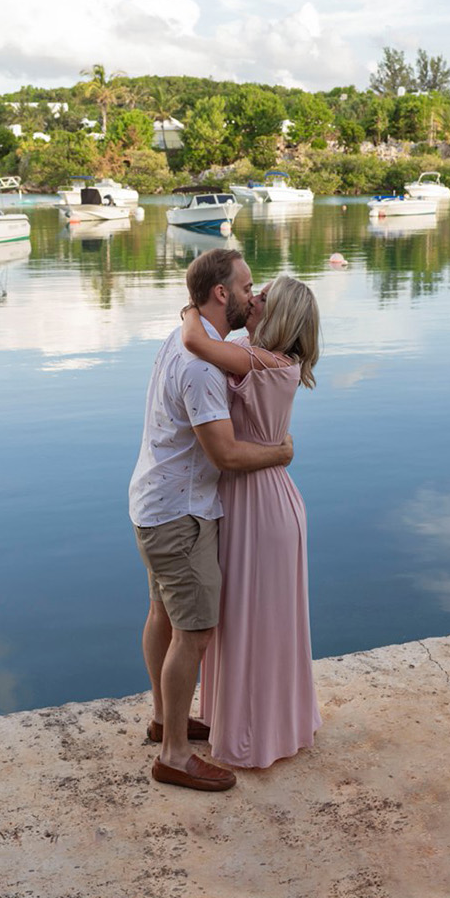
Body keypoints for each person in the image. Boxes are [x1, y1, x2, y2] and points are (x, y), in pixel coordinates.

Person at [129, 248, 292, 792]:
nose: (253, 294)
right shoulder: (202, 367)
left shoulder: (189, 336)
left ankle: (162, 720)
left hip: (152, 504)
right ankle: (174, 755)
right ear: (222, 293)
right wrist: (280, 453)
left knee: (163, 614)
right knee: (194, 631)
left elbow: (221, 338)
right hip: (181, 516)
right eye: (247, 287)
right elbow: (224, 455)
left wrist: (192, 315)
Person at [182, 273, 323, 770]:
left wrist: (191, 306)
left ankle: (250, 736)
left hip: (254, 504)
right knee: (264, 623)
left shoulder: (259, 361)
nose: (253, 298)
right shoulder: (277, 359)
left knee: (248, 621)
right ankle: (274, 723)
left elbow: (195, 340)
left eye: (263, 298)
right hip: (270, 497)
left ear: (278, 314)